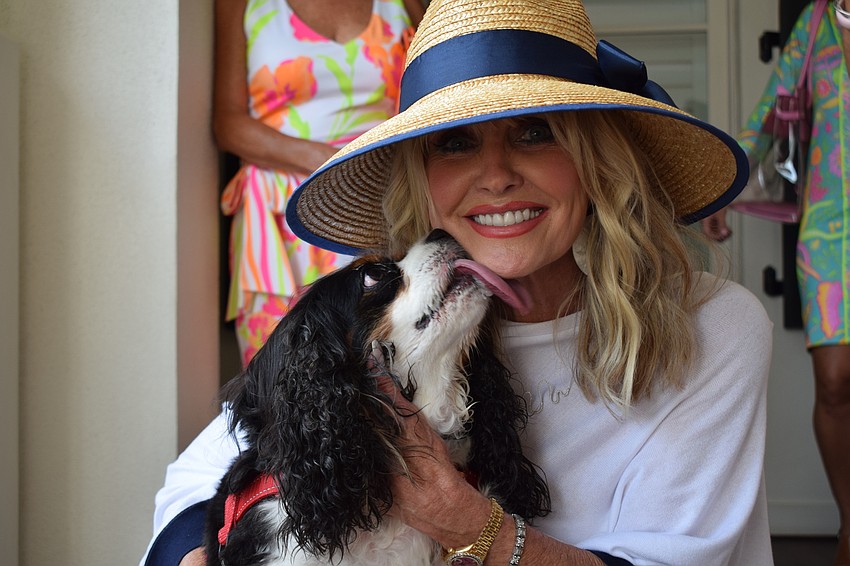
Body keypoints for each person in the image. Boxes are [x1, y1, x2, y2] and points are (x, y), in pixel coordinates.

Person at [143, 0, 774, 564]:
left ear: (597, 160)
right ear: (422, 177)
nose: (495, 175)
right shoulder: (392, 319)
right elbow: (199, 478)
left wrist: (471, 525)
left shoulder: (711, 326)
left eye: (535, 132)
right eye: (455, 143)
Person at [702, 1, 850, 562]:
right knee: (835, 381)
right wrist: (725, 187)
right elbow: (767, 116)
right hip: (830, 229)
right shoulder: (815, 25)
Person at [214, 0, 424, 367]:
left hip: (381, 207)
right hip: (281, 220)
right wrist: (331, 165)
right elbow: (228, 124)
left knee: (387, 370)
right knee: (283, 377)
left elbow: (431, 98)